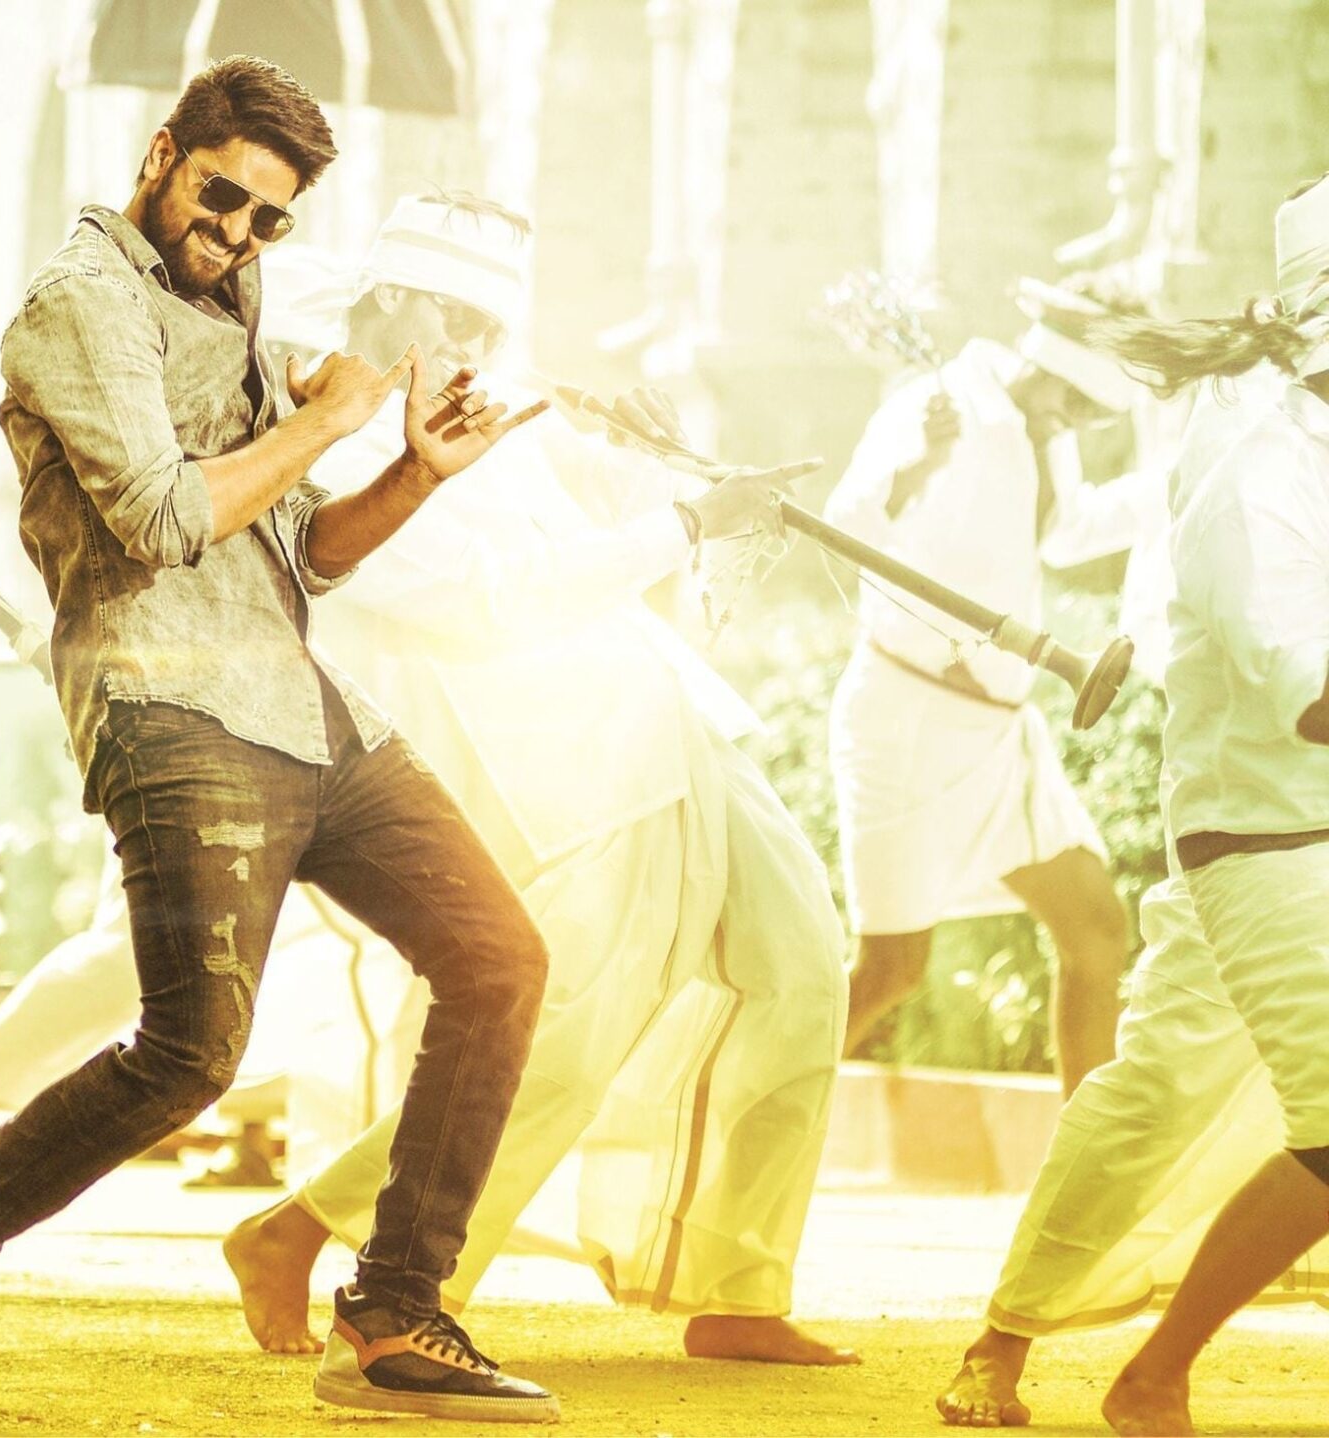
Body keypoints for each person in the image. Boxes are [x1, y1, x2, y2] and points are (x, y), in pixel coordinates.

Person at [0, 57, 558, 1421]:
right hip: (166, 706)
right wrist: (327, 415)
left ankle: (392, 1310)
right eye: (222, 199)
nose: (237, 235)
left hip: (301, 703)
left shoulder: (232, 300)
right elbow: (162, 519)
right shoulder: (78, 303)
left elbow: (304, 550)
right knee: (190, 1054)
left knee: (500, 959)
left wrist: (411, 469)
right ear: (162, 153)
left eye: (269, 219)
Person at [221, 193, 855, 1369]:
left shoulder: (483, 398)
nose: (475, 345)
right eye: (454, 316)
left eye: (489, 326)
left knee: (802, 962)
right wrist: (686, 520)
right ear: (389, 294)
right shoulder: (330, 435)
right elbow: (486, 601)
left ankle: (737, 1280)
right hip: (555, 763)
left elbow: (601, 516)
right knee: (562, 1029)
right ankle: (320, 1236)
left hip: (661, 714)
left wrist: (658, 460)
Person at [940, 175, 1329, 1437]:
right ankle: (1146, 1374)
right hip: (1264, 837)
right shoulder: (1254, 471)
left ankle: (1005, 1337)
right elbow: (1305, 692)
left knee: (1151, 1087)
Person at [825, 282, 1151, 1093]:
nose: (1075, 425)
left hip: (1002, 735)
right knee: (892, 969)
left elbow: (1065, 532)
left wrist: (1182, 484)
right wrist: (920, 465)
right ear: (1052, 368)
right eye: (1075, 406)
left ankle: (1085, 1157)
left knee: (1096, 932)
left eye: (1089, 416)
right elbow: (847, 524)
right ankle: (751, 1125)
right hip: (907, 724)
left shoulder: (1043, 427)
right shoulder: (934, 406)